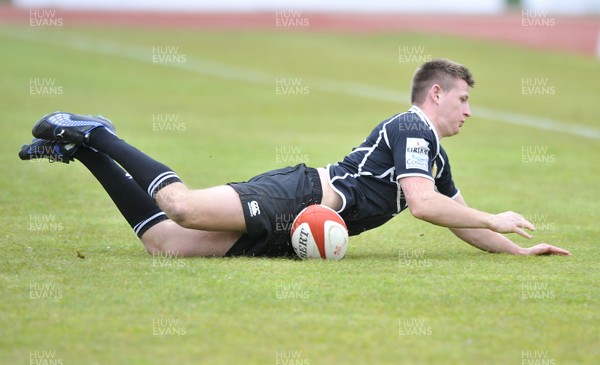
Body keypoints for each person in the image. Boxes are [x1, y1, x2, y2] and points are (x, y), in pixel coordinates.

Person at [19, 59, 570, 258]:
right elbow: (424, 207)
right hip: (299, 196)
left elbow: (459, 217)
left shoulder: (435, 157)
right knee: (182, 209)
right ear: (435, 95)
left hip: (301, 227)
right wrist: (497, 218)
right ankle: (101, 131)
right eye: (464, 99)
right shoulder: (412, 127)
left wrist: (514, 252)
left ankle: (85, 149)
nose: (468, 112)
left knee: (165, 243)